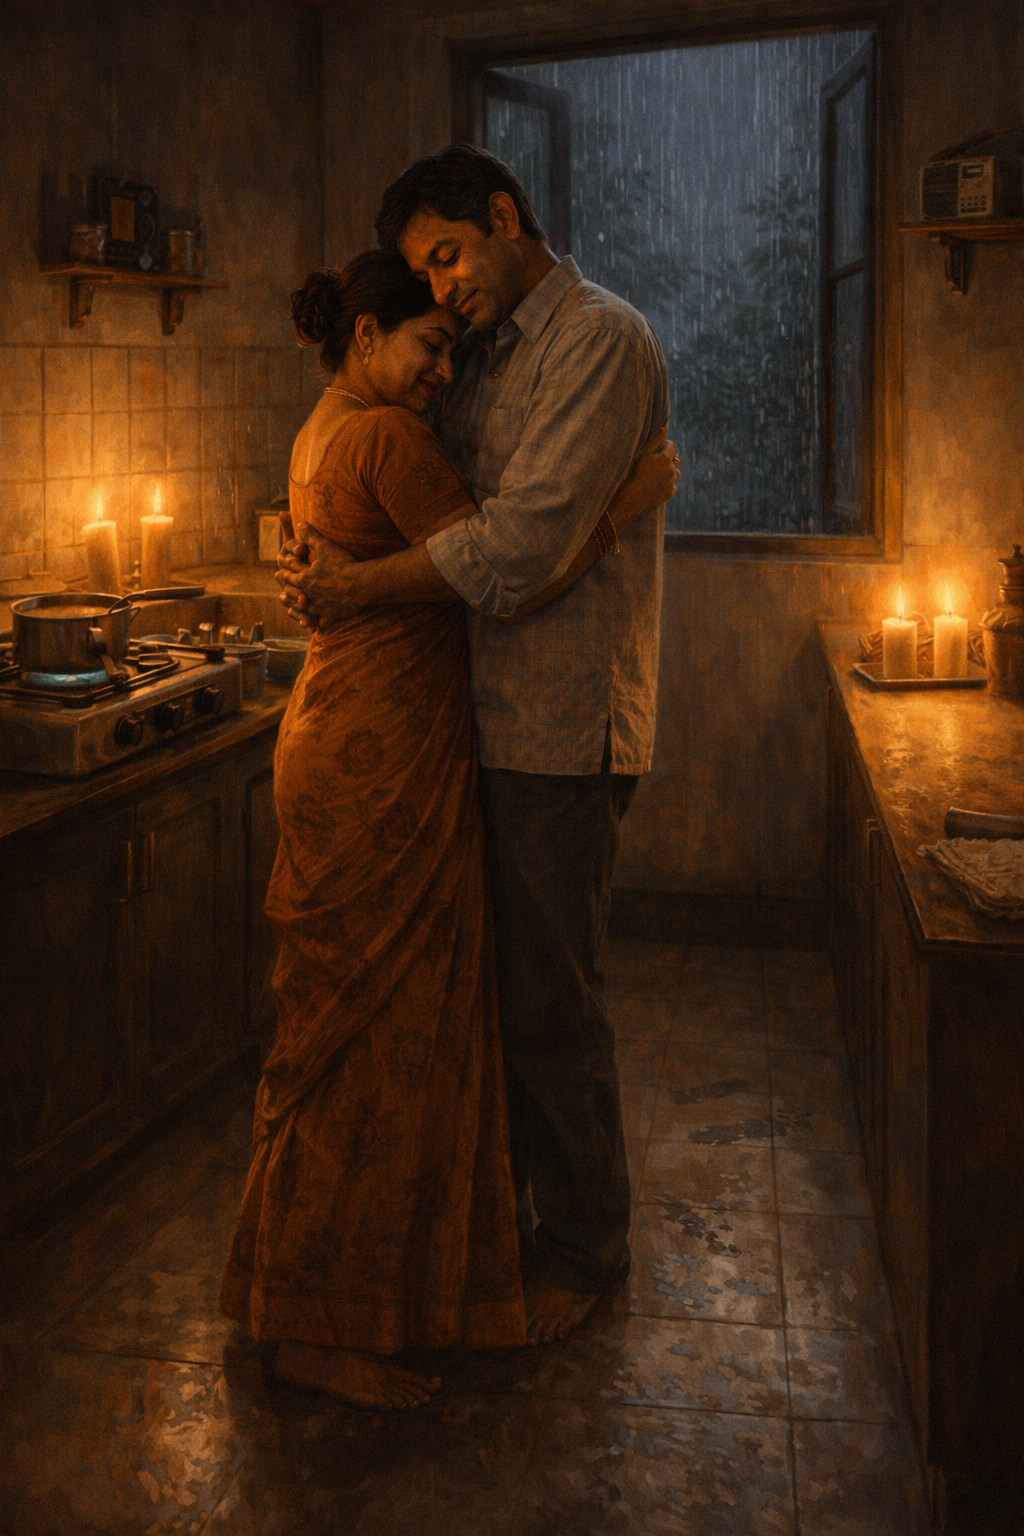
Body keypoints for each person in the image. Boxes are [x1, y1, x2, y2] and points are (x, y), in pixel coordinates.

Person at [220, 249, 676, 1410]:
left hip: (352, 740)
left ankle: (318, 1295)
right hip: (378, 756)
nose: (441, 370)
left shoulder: (322, 427)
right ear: (366, 334)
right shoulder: (386, 437)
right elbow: (507, 577)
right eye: (427, 345)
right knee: (375, 1042)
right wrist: (626, 499)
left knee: (345, 1031)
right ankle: (329, 1317)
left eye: (451, 350)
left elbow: (391, 564)